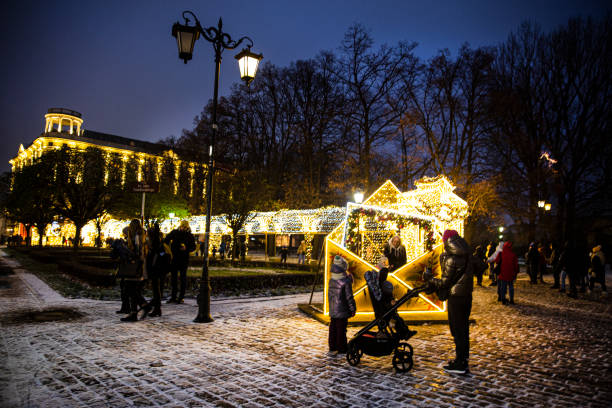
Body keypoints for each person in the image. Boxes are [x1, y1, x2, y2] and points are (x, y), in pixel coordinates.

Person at [423, 229, 473, 374]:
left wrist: (429, 278)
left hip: (455, 297)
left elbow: (445, 282)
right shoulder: (467, 256)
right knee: (463, 329)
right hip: (466, 296)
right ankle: (462, 359)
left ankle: (460, 363)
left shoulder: (452, 258)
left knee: (457, 329)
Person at [365, 257, 415, 340]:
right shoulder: (380, 289)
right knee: (397, 320)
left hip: (386, 310)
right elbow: (382, 301)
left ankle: (405, 332)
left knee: (398, 319)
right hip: (385, 311)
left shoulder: (380, 287)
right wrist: (390, 303)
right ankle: (404, 333)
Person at [112, 220, 151, 322]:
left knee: (130, 289)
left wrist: (128, 254)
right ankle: (135, 311)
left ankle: (143, 307)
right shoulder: (142, 237)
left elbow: (137, 252)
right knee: (132, 290)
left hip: (134, 267)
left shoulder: (136, 237)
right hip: (138, 267)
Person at [328, 255, 356, 355]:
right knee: (341, 329)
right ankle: (341, 347)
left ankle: (332, 346)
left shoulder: (331, 280)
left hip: (333, 309)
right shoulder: (345, 281)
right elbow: (349, 297)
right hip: (342, 309)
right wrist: (353, 309)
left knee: (333, 328)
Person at [164, 220, 196, 304]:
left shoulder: (189, 235)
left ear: (188, 227)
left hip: (183, 259)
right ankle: (174, 296)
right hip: (175, 258)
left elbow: (193, 247)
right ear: (180, 226)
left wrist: (186, 248)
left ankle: (181, 297)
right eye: (183, 226)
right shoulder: (175, 233)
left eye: (185, 227)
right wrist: (169, 250)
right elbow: (166, 240)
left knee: (182, 278)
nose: (184, 228)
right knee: (174, 278)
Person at [145, 222, 170, 317]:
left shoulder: (156, 244)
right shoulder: (160, 244)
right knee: (157, 289)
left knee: (157, 289)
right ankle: (156, 307)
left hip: (157, 269)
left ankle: (156, 308)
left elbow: (156, 255)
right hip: (160, 269)